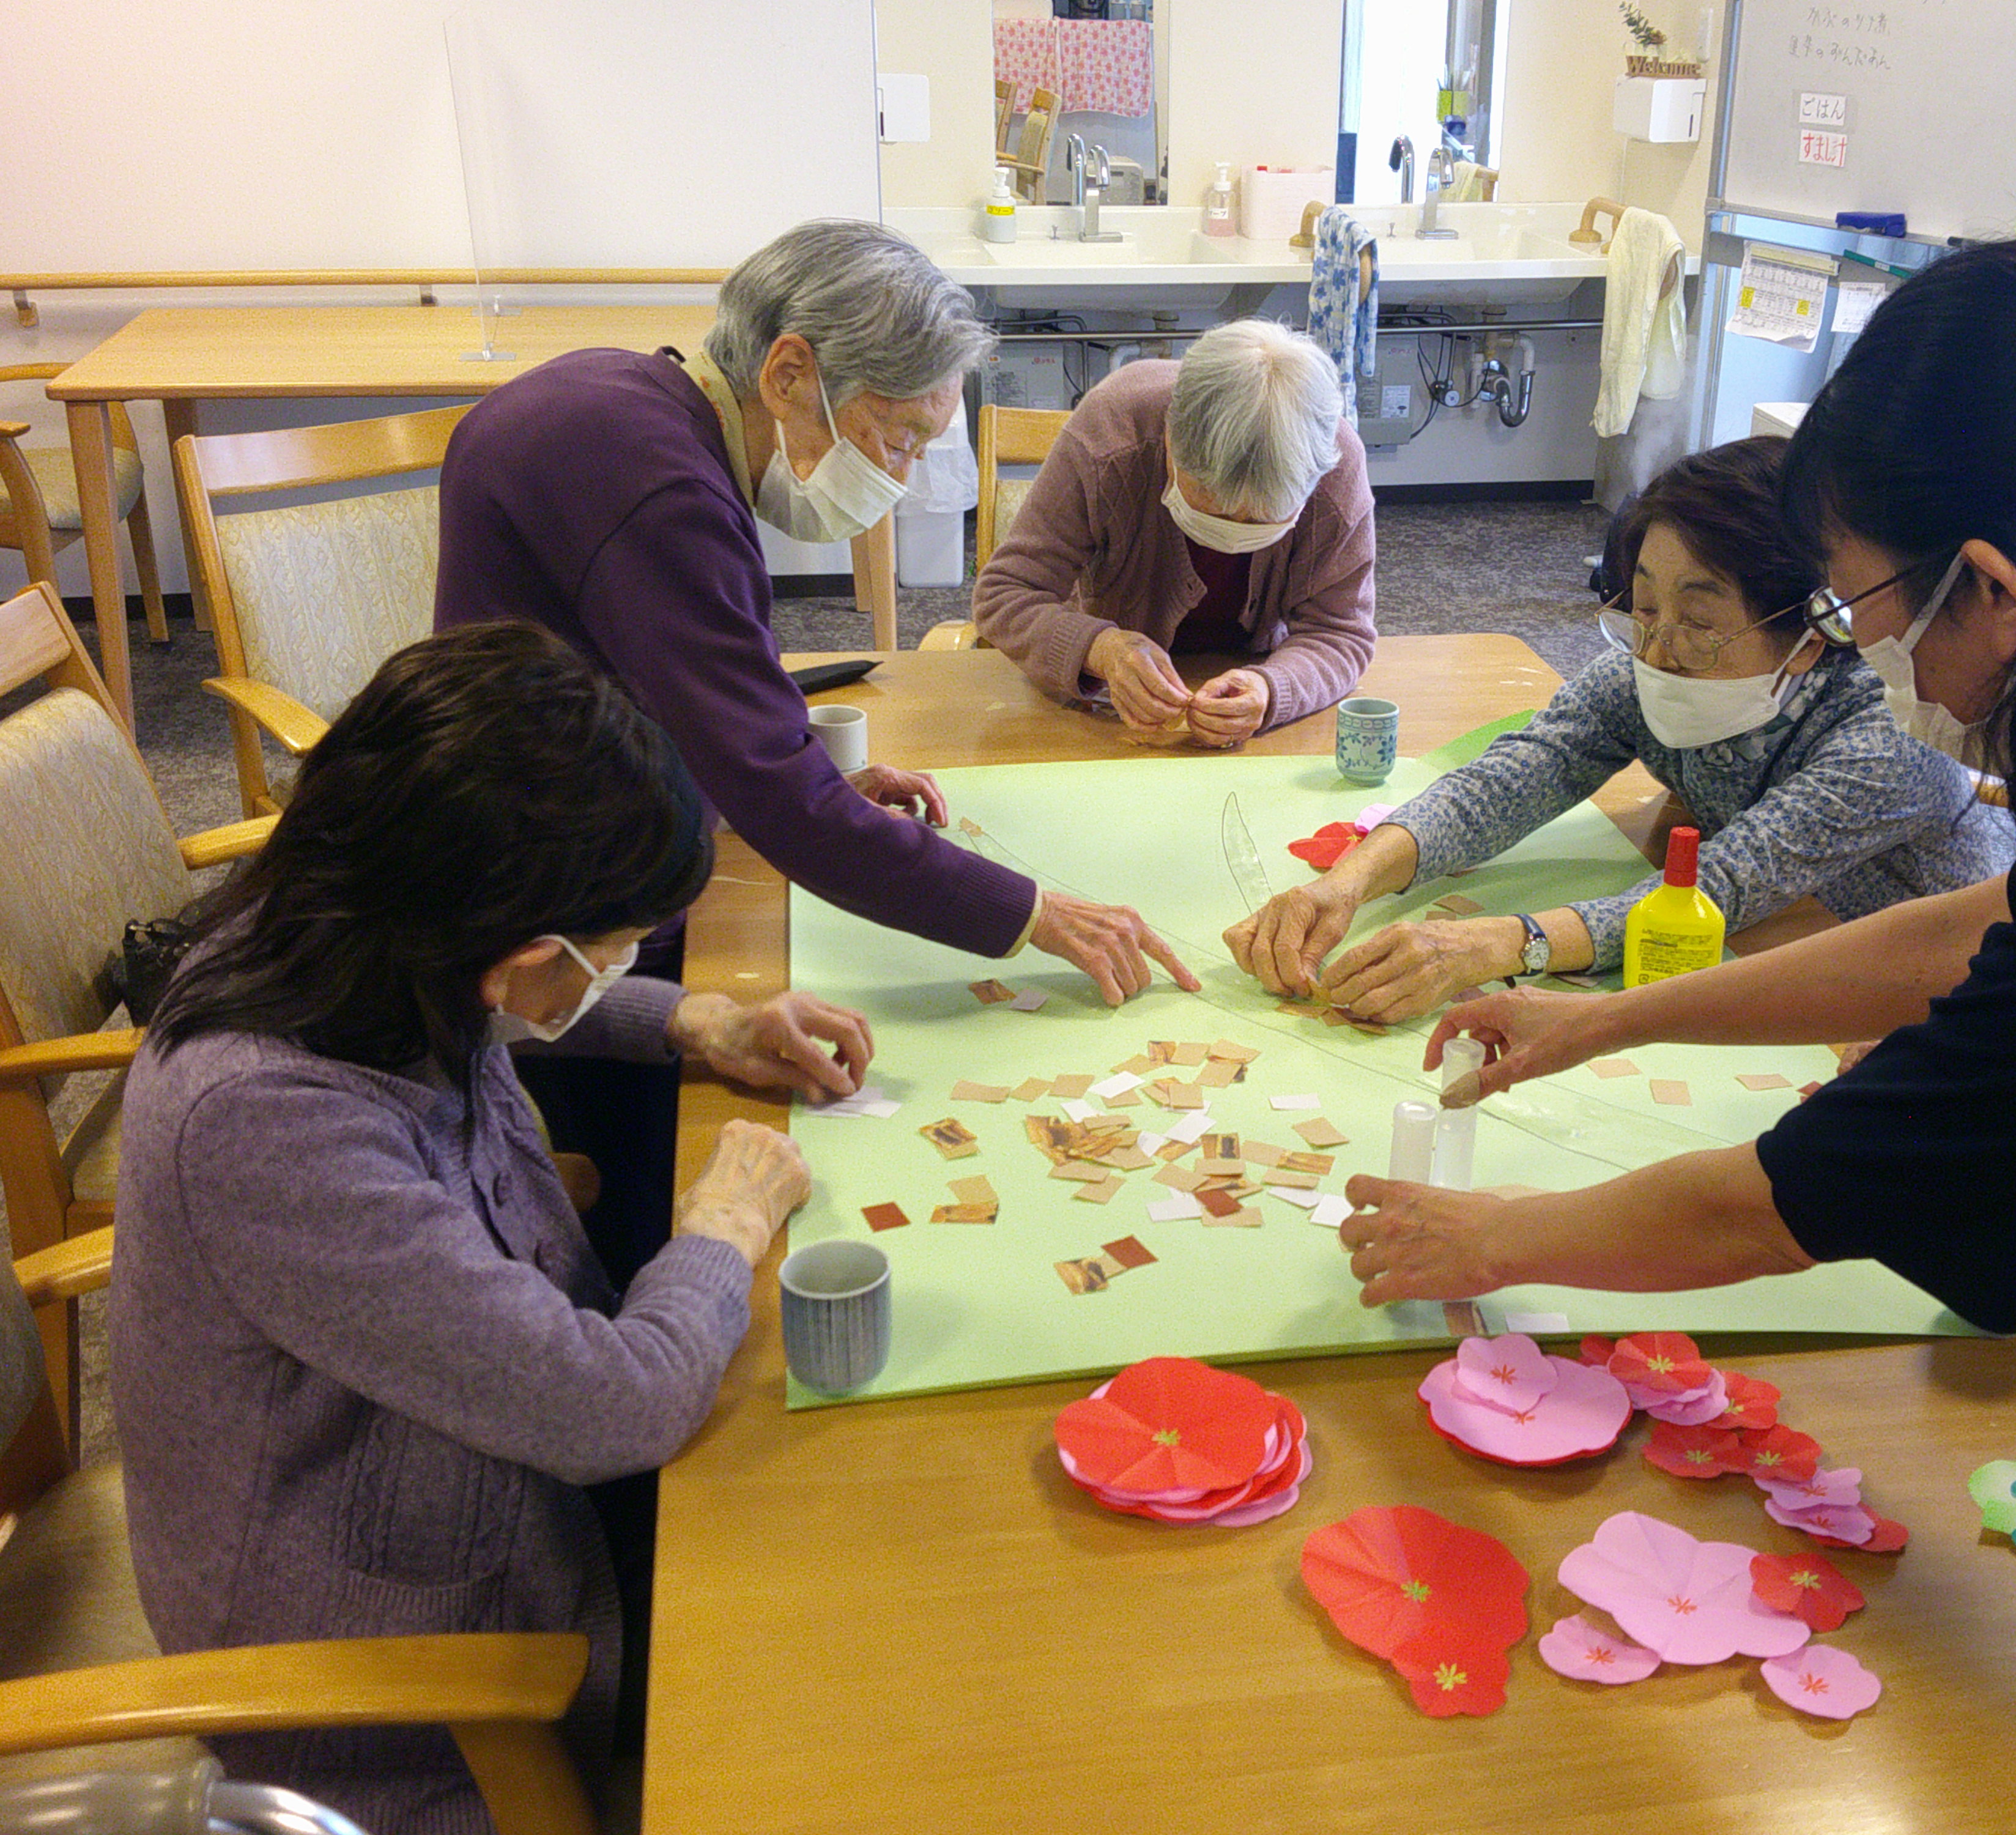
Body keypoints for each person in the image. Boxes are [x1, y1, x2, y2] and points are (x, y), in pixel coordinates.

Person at [1334, 237, 2016, 1608]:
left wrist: (1490, 1240)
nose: (1868, 652)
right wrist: (1606, 1021)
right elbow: (1993, 921)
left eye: (1859, 606)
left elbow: (1778, 1203)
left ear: (1991, 589)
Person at [112, 625, 848, 1832]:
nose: (611, 978)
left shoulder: (359, 938)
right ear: (515, 957)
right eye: (609, 959)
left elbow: (516, 1011)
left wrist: (691, 1018)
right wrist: (722, 1221)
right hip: (406, 1696)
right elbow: (607, 1410)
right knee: (828, 1671)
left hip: (498, 1486)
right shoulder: (265, 1123)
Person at [435, 218, 1191, 1008]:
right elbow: (776, 796)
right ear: (789, 373)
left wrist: (804, 770)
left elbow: (671, 691)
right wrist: (1036, 912)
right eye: (897, 437)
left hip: (545, 824)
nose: (896, 476)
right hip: (546, 927)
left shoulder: (616, 397)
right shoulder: (665, 494)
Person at [1225, 437, 2015, 1021]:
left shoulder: (1895, 735)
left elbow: (1720, 887)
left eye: (1700, 621)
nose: (1660, 648)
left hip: (1940, 989)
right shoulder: (1650, 667)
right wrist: (1350, 880)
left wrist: (1500, 944)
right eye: (1642, 607)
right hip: (1798, 937)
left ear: (1811, 632)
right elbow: (1519, 773)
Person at [971, 319, 1377, 746]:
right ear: (1169, 440)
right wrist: (1101, 650)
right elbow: (1005, 595)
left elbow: (1340, 632)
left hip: (1258, 692)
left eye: (1260, 519)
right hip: (1106, 712)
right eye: (1211, 502)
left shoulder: (1331, 462)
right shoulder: (1111, 431)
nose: (1232, 531)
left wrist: (1274, 689)